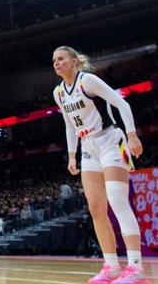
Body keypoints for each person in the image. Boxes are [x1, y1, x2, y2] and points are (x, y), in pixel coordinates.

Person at [53, 46, 147, 284]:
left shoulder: (88, 81)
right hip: (88, 147)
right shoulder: (59, 93)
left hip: (110, 140)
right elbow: (69, 125)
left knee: (118, 202)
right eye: (54, 60)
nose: (56, 63)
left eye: (61, 59)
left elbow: (122, 104)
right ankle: (112, 267)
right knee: (96, 209)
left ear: (74, 61)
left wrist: (132, 135)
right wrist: (71, 155)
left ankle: (136, 269)